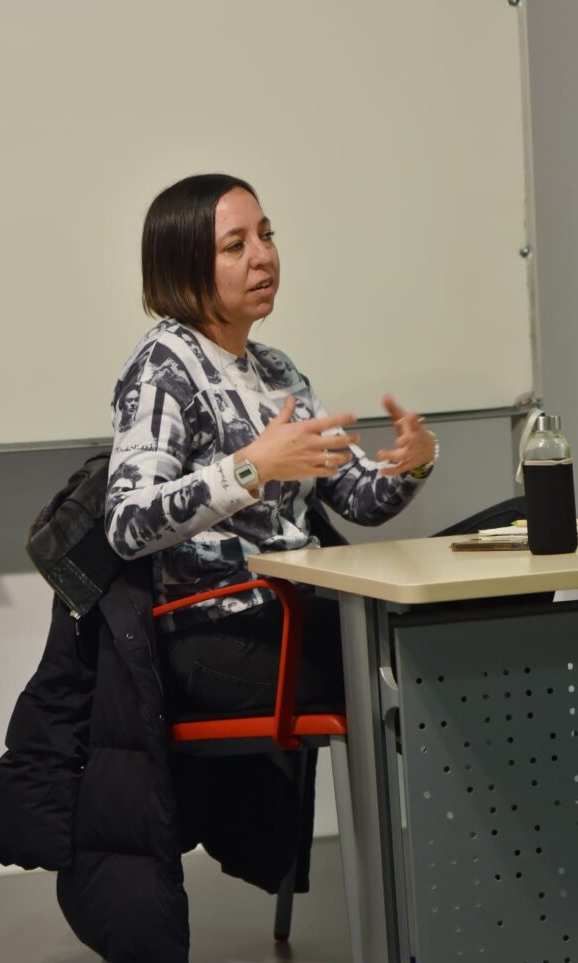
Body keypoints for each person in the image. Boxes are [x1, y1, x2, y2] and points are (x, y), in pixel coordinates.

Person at [105, 173, 437, 717]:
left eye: (267, 235)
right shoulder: (165, 365)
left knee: (492, 564)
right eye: (236, 246)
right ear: (184, 267)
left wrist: (414, 464)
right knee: (419, 644)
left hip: (299, 608)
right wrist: (249, 469)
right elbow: (126, 524)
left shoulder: (277, 370)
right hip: (220, 627)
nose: (263, 257)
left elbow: (359, 499)